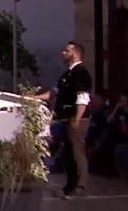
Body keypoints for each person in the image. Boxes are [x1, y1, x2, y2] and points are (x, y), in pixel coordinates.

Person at [32, 41, 92, 198]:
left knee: (76, 151)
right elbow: (54, 93)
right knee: (67, 152)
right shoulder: (67, 75)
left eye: (67, 50)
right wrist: (34, 97)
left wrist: (77, 118)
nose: (63, 53)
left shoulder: (81, 73)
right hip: (65, 118)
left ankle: (80, 186)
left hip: (75, 118)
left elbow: (83, 98)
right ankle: (70, 185)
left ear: (76, 53)